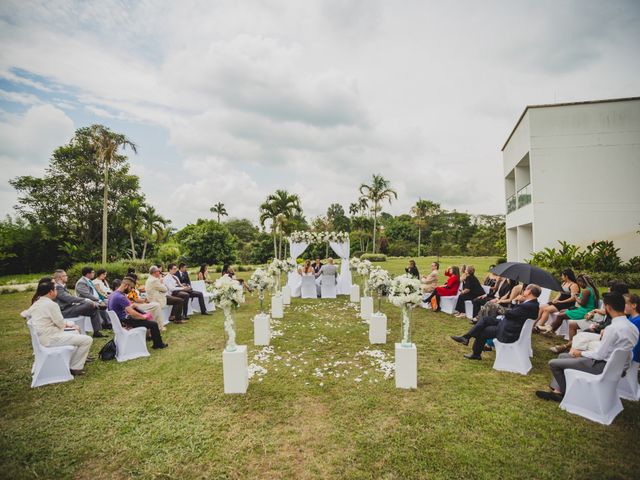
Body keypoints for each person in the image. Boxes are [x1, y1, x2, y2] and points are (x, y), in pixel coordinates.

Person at [535, 292, 638, 402]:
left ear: (608, 307)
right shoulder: (632, 328)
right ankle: (557, 391)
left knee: (553, 363)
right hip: (615, 367)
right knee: (562, 355)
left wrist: (580, 353)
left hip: (602, 366)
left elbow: (599, 355)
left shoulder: (612, 329)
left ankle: (567, 395)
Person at [450, 284, 541, 360]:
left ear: (529, 292)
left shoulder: (528, 305)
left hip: (509, 330)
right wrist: (516, 304)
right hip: (510, 324)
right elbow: (515, 314)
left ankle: (475, 352)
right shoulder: (533, 303)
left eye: (526, 289)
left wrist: (514, 302)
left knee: (484, 331)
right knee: (485, 319)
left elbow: (509, 314)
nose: (524, 290)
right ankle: (466, 337)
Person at [22, 279, 93, 375]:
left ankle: (72, 361)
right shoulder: (52, 305)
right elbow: (60, 324)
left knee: (75, 332)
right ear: (51, 292)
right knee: (87, 340)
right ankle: (75, 367)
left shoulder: (37, 303)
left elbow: (25, 313)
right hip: (51, 338)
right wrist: (71, 324)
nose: (56, 291)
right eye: (55, 289)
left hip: (41, 338)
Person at [108, 277, 168, 349]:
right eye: (131, 288)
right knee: (153, 324)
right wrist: (143, 317)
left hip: (120, 320)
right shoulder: (121, 297)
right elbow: (132, 313)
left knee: (141, 313)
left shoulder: (113, 294)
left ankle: (150, 336)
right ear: (126, 286)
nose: (131, 290)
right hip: (125, 321)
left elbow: (125, 309)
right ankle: (158, 344)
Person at [52, 269, 105, 338]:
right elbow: (69, 299)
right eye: (65, 275)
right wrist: (85, 300)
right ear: (59, 278)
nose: (67, 277)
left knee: (93, 309)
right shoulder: (58, 287)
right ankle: (98, 306)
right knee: (89, 303)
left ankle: (96, 332)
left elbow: (70, 299)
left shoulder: (61, 286)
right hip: (64, 311)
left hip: (70, 308)